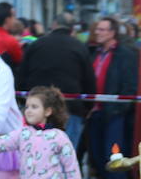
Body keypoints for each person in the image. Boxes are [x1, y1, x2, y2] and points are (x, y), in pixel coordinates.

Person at [0, 86, 82, 179]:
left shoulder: (59, 137)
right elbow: (0, 143)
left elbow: (71, 167)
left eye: (34, 107)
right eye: (27, 106)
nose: (28, 111)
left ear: (48, 111)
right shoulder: (23, 133)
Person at [17, 12, 96, 151]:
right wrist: (88, 106)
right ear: (72, 29)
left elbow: (21, 75)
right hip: (70, 108)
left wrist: (25, 103)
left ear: (53, 25)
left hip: (38, 106)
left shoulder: (37, 44)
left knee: (36, 150)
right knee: (66, 152)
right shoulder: (79, 47)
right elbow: (89, 79)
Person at [87, 16, 138, 179]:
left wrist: (119, 108)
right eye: (97, 29)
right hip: (95, 110)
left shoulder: (125, 54)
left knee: (112, 152)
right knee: (97, 152)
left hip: (113, 111)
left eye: (102, 30)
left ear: (112, 32)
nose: (98, 33)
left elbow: (130, 84)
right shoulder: (94, 53)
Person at [0, 1, 22, 68]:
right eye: (14, 16)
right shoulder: (11, 41)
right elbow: (20, 62)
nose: (15, 20)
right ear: (7, 20)